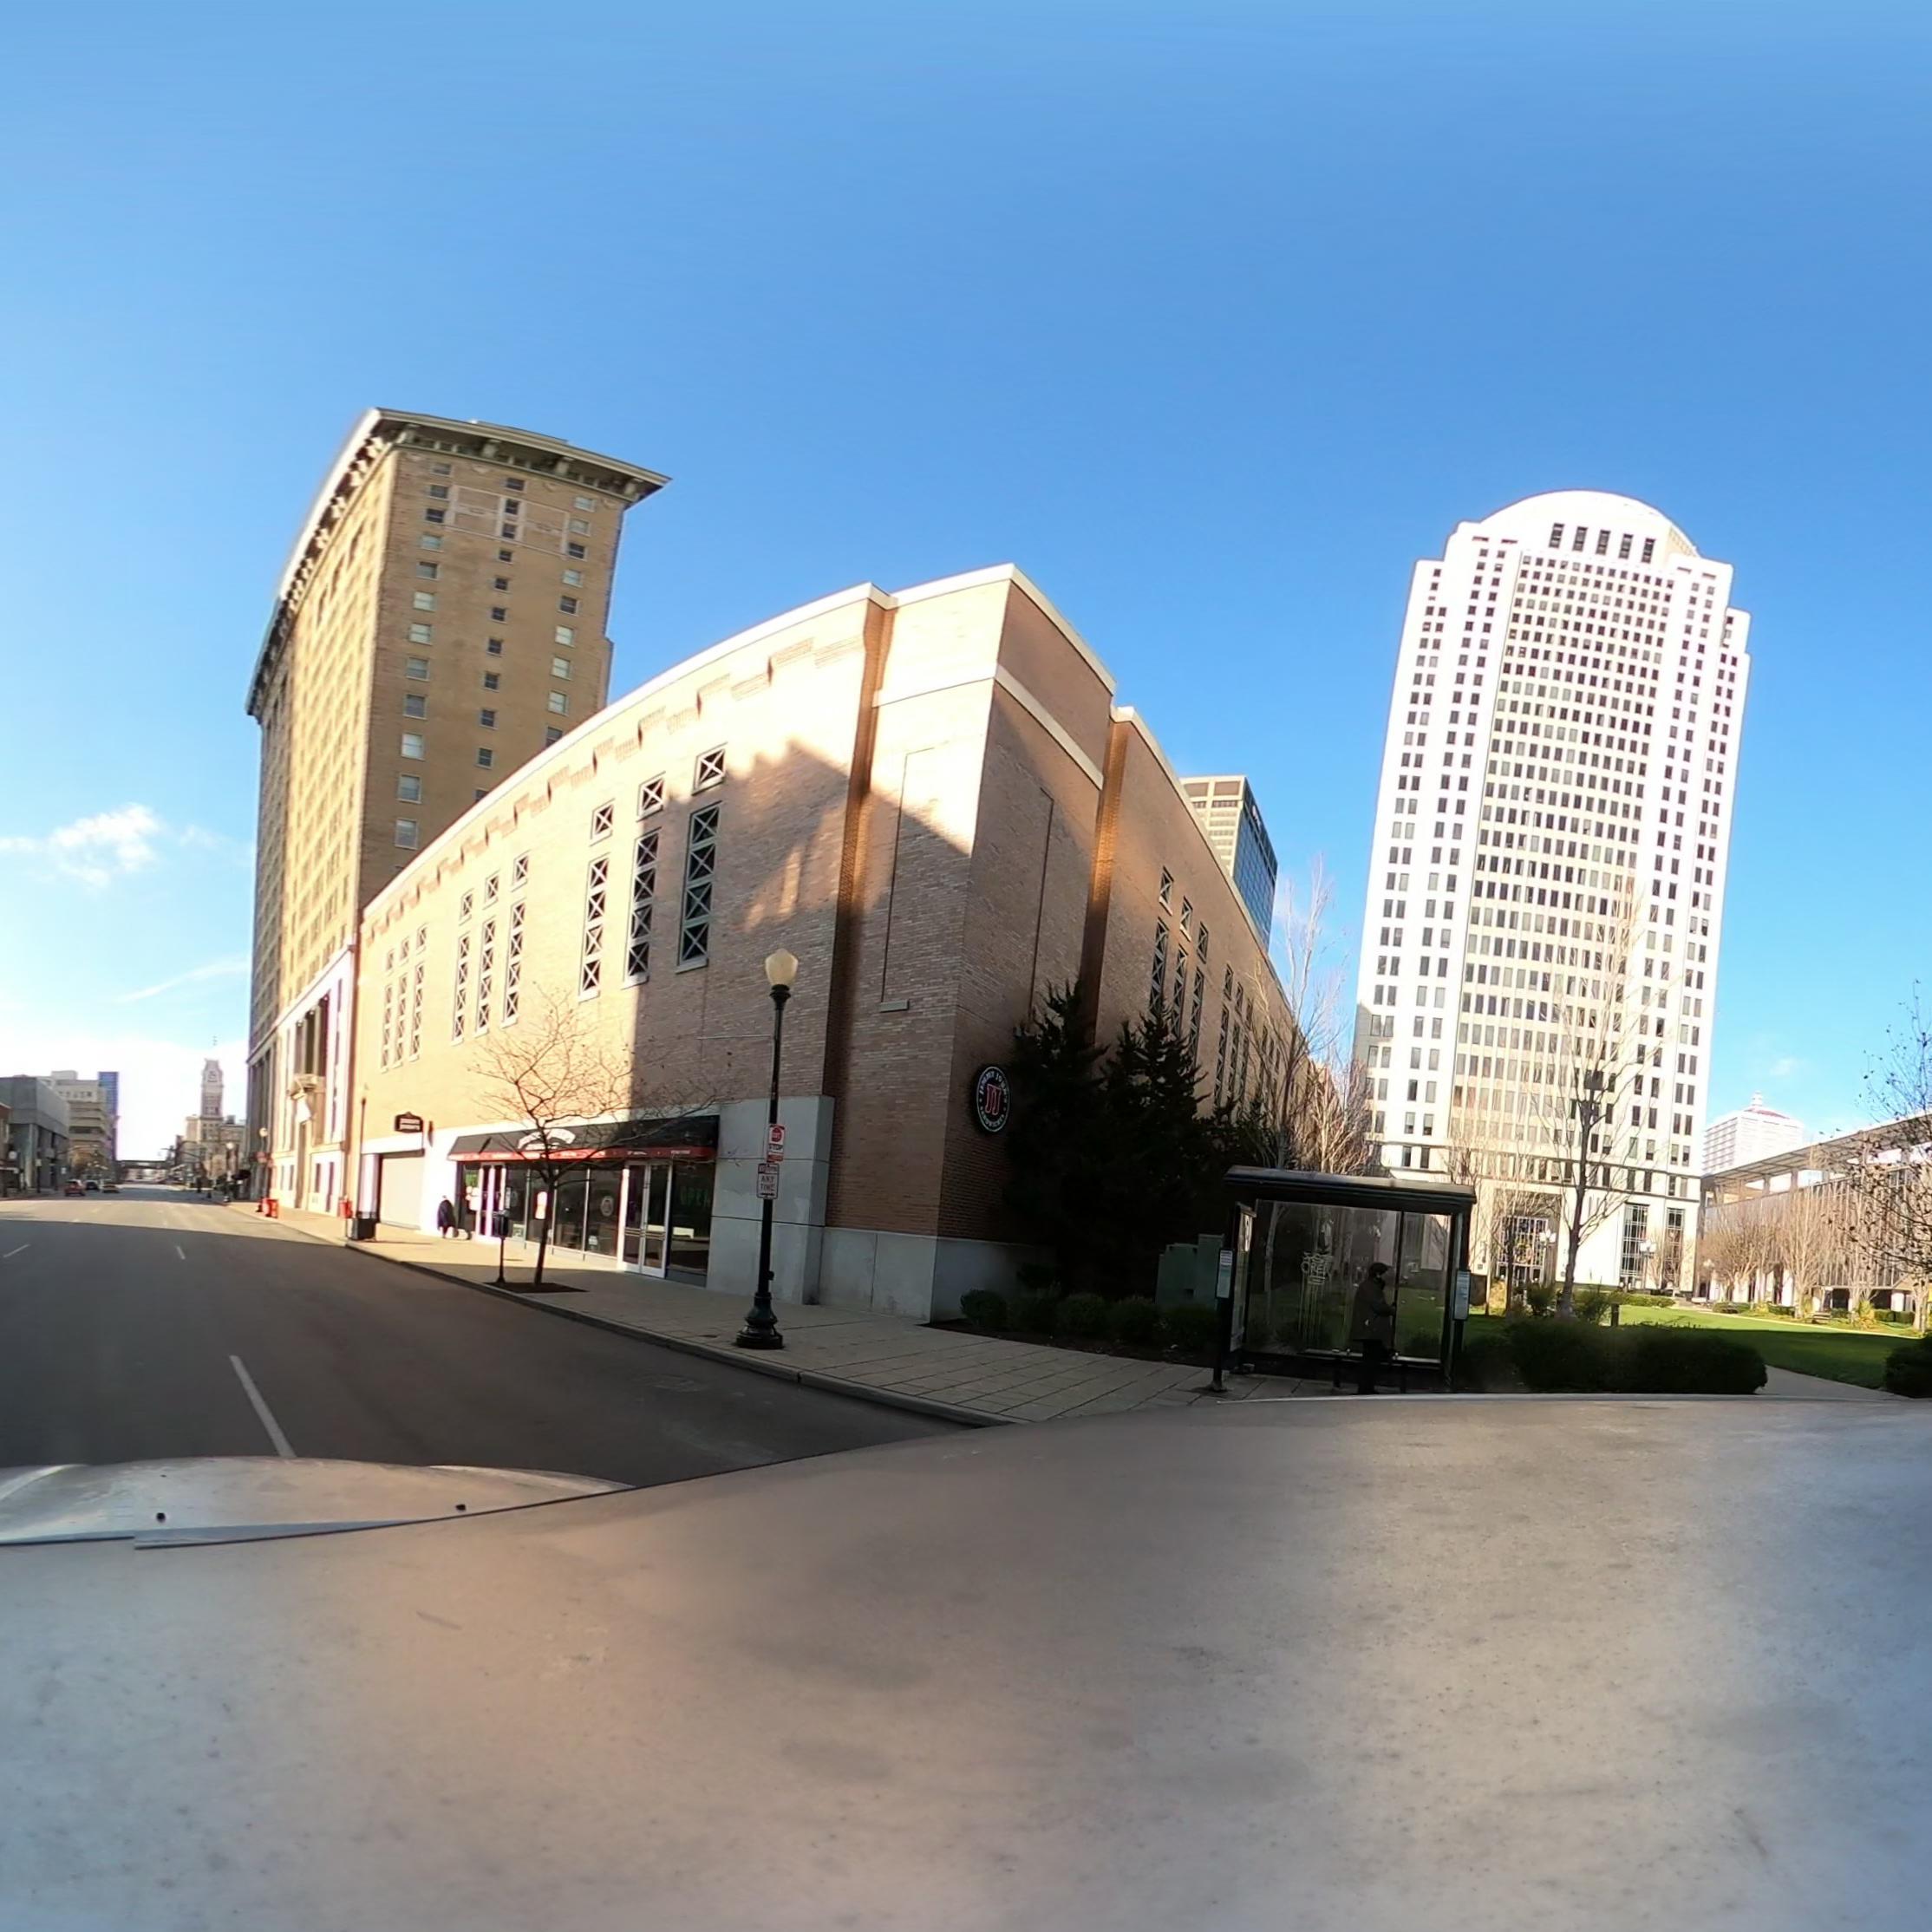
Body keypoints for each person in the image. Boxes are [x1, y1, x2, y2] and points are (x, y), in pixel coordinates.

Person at [1348, 1262, 1396, 1394]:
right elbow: (1379, 1306)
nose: (1387, 1277)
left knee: (1370, 1359)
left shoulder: (1369, 1286)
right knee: (1370, 1361)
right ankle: (1365, 1388)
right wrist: (1392, 1309)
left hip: (1370, 1330)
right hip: (1371, 1331)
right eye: (1385, 1274)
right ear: (1378, 1274)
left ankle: (1366, 1387)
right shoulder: (1371, 1288)